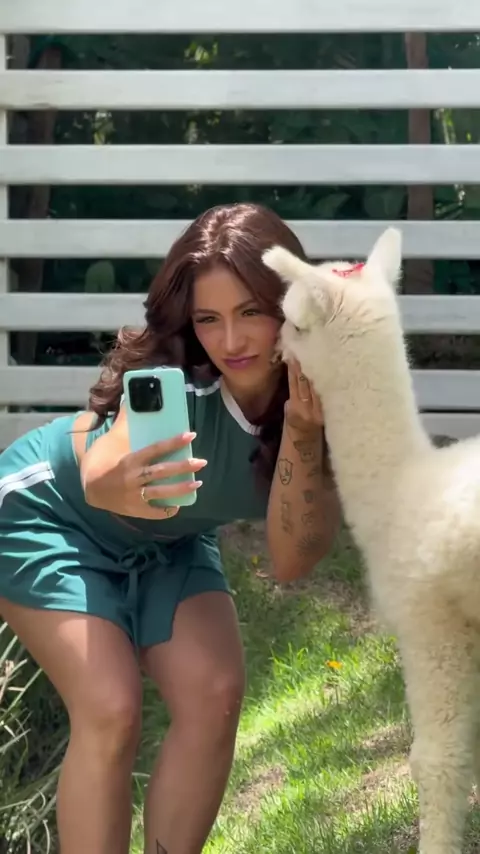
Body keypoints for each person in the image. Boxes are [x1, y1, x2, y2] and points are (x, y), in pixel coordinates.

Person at [0, 202, 340, 854]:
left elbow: (294, 559)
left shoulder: (320, 392)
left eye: (251, 312)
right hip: (47, 512)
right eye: (208, 319)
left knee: (215, 693)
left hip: (167, 538)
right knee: (110, 707)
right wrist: (118, 476)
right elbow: (98, 474)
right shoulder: (175, 381)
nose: (231, 341)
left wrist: (301, 430)